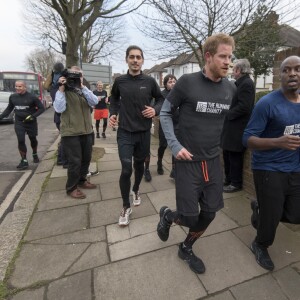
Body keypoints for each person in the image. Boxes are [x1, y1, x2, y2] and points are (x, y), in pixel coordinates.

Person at [157, 33, 236, 274]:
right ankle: (169, 216)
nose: (227, 62)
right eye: (223, 56)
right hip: (187, 161)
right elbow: (165, 113)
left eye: (230, 57)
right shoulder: (187, 83)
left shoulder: (230, 88)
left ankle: (186, 247)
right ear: (209, 56)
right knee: (190, 217)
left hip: (212, 161)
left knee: (210, 213)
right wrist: (174, 144)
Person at [243, 55, 300, 271]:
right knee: (271, 217)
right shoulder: (267, 103)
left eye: (297, 69)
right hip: (268, 168)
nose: (292, 73)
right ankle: (260, 244)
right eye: (286, 70)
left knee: (295, 214)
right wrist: (278, 142)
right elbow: (247, 139)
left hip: (295, 168)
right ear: (280, 74)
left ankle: (261, 208)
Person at [109, 45, 164, 226]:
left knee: (139, 165)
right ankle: (126, 206)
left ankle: (136, 189)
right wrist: (113, 113)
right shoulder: (120, 81)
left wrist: (154, 109)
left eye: (138, 57)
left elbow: (162, 98)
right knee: (126, 168)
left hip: (143, 133)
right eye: (131, 57)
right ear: (126, 59)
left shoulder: (149, 81)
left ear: (142, 60)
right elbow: (114, 99)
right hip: (125, 131)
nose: (135, 60)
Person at [54, 66, 99, 199]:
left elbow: (94, 101)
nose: (76, 78)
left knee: (86, 158)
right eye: (73, 75)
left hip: (86, 130)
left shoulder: (83, 90)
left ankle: (82, 180)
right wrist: (61, 88)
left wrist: (82, 86)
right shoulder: (62, 90)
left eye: (79, 75)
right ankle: (71, 188)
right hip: (71, 132)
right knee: (75, 161)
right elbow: (59, 108)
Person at [221, 58, 255, 192]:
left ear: (239, 70)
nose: (232, 71)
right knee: (227, 153)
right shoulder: (240, 83)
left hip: (238, 127)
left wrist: (228, 114)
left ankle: (236, 183)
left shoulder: (246, 84)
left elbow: (245, 107)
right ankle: (228, 179)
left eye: (234, 69)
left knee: (235, 155)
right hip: (232, 127)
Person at [0, 81, 45, 169]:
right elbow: (9, 108)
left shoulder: (32, 97)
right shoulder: (13, 97)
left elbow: (41, 108)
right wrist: (1, 117)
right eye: (16, 86)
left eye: (20, 86)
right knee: (21, 140)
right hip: (19, 122)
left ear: (25, 87)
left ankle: (34, 153)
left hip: (30, 122)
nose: (17, 88)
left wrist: (33, 116)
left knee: (33, 139)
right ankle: (24, 160)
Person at [44, 62, 68, 167]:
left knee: (63, 138)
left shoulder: (53, 89)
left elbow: (46, 86)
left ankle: (60, 159)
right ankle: (62, 159)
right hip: (63, 117)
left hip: (58, 117)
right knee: (65, 139)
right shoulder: (61, 89)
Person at [157, 74, 177, 176]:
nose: (173, 83)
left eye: (174, 81)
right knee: (163, 145)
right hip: (165, 124)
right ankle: (159, 162)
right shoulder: (162, 95)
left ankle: (174, 169)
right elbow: (157, 107)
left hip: (177, 124)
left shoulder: (179, 93)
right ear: (165, 84)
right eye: (170, 82)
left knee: (175, 146)